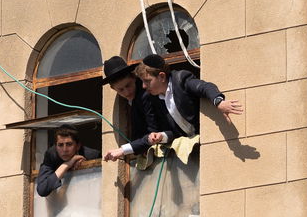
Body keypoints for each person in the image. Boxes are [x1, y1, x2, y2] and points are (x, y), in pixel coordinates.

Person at [101, 55, 243, 161]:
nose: (143, 86)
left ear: (162, 77)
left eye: (147, 81)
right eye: (121, 90)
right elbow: (174, 132)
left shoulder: (180, 80)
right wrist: (160, 136)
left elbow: (204, 87)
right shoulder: (156, 100)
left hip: (211, 144)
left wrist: (219, 102)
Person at [35, 127, 99, 197]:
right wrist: (66, 165)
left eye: (69, 144)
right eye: (60, 145)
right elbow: (42, 190)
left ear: (78, 146)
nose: (65, 149)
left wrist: (85, 165)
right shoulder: (51, 155)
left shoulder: (91, 155)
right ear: (56, 147)